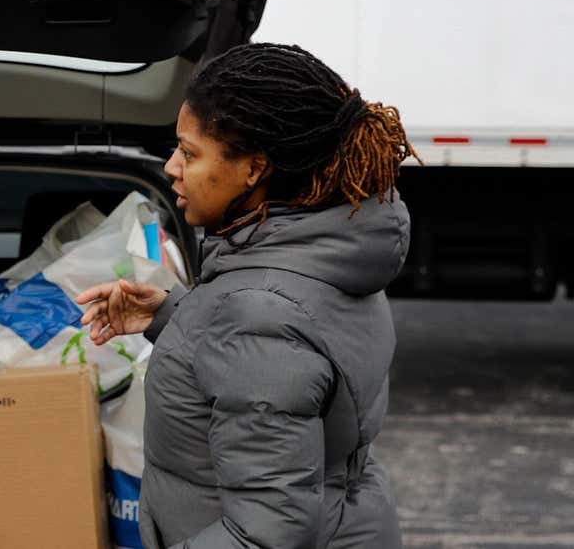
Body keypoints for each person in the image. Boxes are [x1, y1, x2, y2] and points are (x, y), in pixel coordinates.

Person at [76, 43, 415, 549]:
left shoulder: (259, 313)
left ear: (254, 170)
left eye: (189, 153)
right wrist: (182, 315)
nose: (171, 167)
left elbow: (266, 532)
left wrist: (221, 319)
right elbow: (286, 360)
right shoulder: (328, 252)